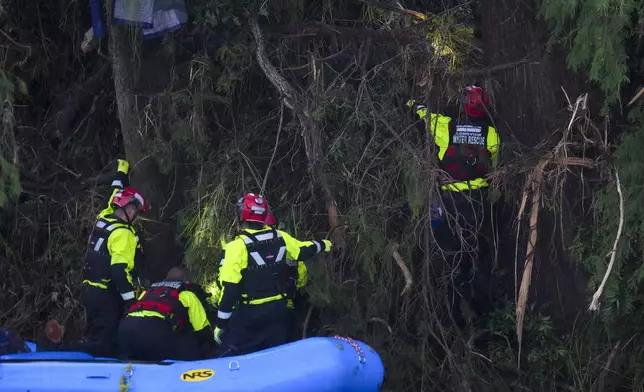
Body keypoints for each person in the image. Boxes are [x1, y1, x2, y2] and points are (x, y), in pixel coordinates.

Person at [408, 85, 500, 324]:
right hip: (478, 202)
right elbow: (495, 165)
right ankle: (481, 312)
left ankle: (452, 312)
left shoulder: (445, 126)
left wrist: (411, 103)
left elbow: (422, 112)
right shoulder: (491, 134)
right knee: (478, 253)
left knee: (451, 255)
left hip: (449, 202)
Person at [213, 193, 332, 355]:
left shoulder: (236, 247)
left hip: (251, 315)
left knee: (229, 353)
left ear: (241, 215)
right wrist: (324, 244)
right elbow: (303, 251)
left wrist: (221, 324)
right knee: (277, 353)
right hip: (279, 311)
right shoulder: (280, 237)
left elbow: (230, 290)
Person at [80, 159, 148, 357]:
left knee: (96, 337)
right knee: (104, 345)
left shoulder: (104, 217)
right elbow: (119, 271)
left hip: (89, 291)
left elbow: (114, 192)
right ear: (128, 210)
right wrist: (131, 302)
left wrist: (121, 172)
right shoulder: (123, 234)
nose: (137, 216)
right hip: (107, 297)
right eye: (136, 211)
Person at [117, 267, 214, 361]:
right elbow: (202, 329)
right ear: (186, 281)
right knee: (188, 348)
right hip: (155, 330)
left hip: (126, 328)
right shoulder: (187, 294)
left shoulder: (147, 292)